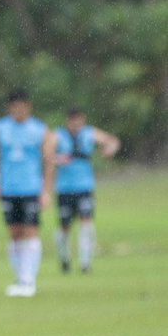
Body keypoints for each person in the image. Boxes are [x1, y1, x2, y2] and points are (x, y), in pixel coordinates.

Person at [0, 90, 56, 298]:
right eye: (14, 106)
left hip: (31, 188)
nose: (18, 109)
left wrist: (46, 190)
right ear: (9, 107)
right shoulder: (0, 128)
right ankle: (20, 278)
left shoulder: (40, 130)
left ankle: (29, 280)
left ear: (29, 106)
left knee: (31, 231)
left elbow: (49, 162)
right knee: (15, 232)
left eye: (22, 105)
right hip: (9, 188)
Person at [54, 108, 120, 273]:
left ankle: (85, 263)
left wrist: (109, 150)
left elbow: (113, 141)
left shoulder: (90, 133)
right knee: (65, 227)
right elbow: (45, 154)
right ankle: (65, 259)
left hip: (84, 187)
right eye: (73, 121)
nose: (76, 124)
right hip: (64, 188)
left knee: (86, 223)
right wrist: (58, 159)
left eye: (79, 121)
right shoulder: (58, 135)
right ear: (68, 121)